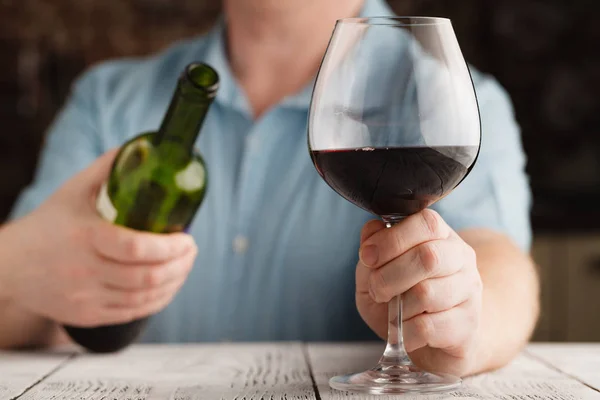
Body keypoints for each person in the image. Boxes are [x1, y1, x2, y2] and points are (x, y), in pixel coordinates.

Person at [1, 0, 539, 377]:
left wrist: (462, 321)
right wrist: (15, 263)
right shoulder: (106, 99)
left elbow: (498, 262)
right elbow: (31, 300)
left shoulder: (451, 95)